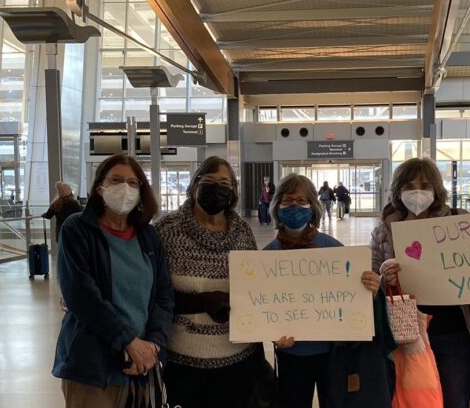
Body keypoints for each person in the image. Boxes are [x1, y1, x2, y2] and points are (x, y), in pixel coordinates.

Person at [372, 158, 470, 408]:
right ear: (398, 190)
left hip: (453, 332)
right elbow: (370, 278)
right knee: (414, 400)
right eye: (409, 186)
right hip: (405, 335)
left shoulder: (459, 222)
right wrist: (383, 277)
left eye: (425, 185)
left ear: (437, 189)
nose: (417, 192)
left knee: (455, 400)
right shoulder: (383, 230)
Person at [52, 154, 174, 408]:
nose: (125, 188)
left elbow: (163, 296)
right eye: (116, 180)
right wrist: (128, 341)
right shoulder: (77, 230)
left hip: (141, 366)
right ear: (100, 187)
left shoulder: (148, 236)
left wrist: (154, 344)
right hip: (94, 368)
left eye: (133, 182)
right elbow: (81, 296)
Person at [157, 156, 267, 408]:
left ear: (233, 192)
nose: (217, 187)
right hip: (183, 359)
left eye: (224, 183)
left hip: (238, 358)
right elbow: (152, 290)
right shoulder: (167, 230)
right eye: (209, 181)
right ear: (194, 185)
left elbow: (257, 287)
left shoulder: (242, 232)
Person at [266, 174, 380, 408]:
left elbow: (357, 298)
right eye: (287, 200)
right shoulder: (266, 257)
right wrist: (269, 331)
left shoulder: (334, 249)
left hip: (333, 353)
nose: (294, 206)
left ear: (313, 206)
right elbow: (261, 305)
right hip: (292, 354)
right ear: (277, 206)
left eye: (301, 200)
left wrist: (372, 288)